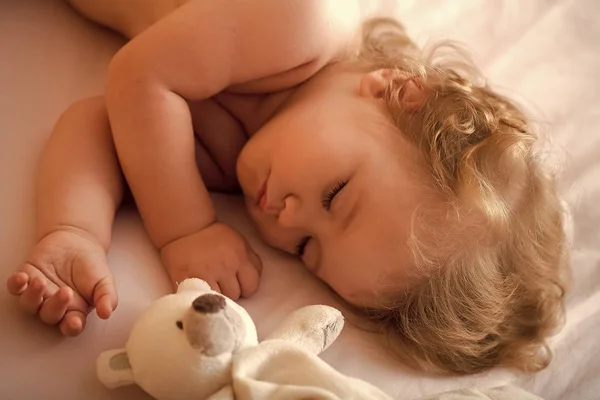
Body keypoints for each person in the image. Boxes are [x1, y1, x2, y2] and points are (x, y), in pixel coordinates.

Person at [6, 0, 569, 374]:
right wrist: (186, 229)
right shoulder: (303, 21)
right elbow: (139, 76)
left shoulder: (243, 156)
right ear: (398, 92)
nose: (284, 216)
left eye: (307, 249)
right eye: (335, 196)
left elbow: (102, 123)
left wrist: (73, 230)